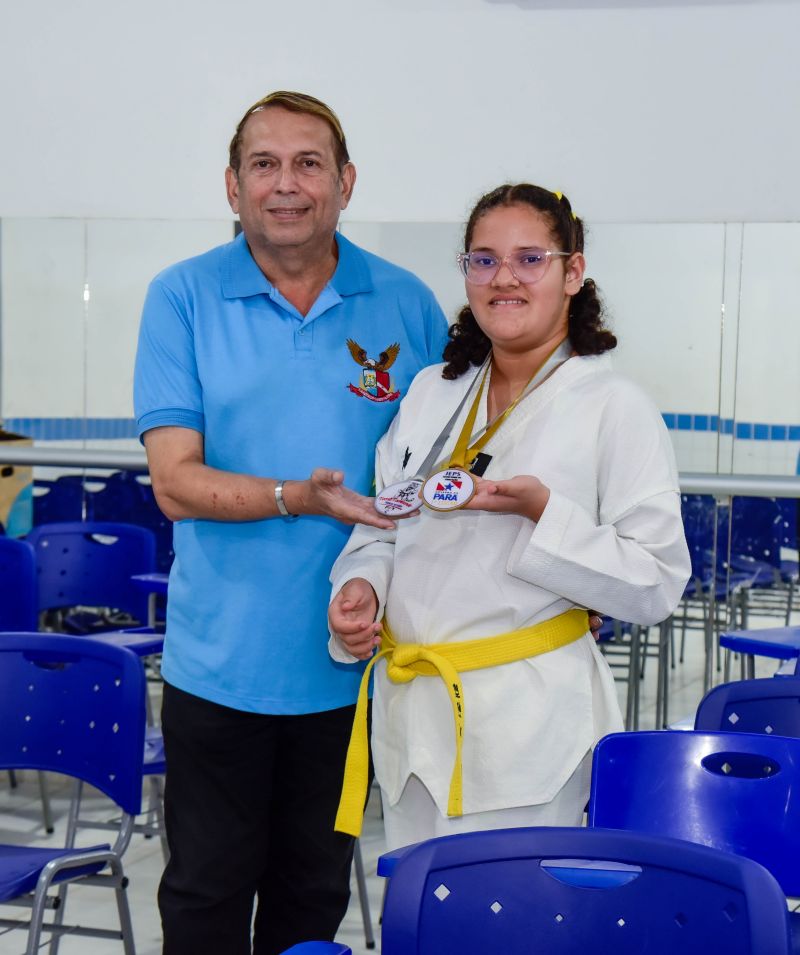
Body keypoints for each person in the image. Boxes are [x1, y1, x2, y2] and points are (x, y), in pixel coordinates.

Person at [133, 91, 449, 955]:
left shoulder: (409, 305)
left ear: (345, 182)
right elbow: (174, 482)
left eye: (308, 163)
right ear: (231, 188)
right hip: (218, 669)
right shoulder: (182, 297)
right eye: (263, 164)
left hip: (352, 672)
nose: (286, 184)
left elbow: (441, 474)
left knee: (314, 905)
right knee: (203, 896)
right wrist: (296, 496)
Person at [328, 183, 691, 848]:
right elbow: (385, 519)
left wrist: (543, 514)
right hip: (412, 720)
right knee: (420, 923)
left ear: (572, 271)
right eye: (484, 260)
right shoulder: (431, 393)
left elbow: (657, 581)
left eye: (530, 259)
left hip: (530, 731)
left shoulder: (614, 405)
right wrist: (361, 587)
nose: (504, 278)